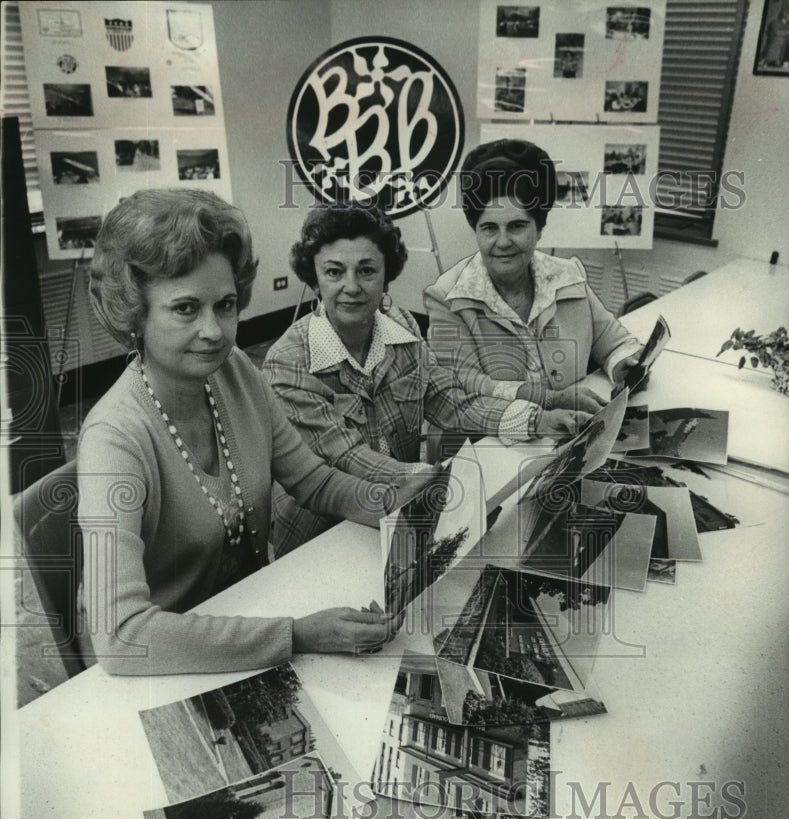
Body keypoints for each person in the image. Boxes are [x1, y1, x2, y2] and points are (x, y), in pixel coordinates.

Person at [79, 188, 409, 676]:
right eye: (186, 309)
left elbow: (313, 481)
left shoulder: (233, 370)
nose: (214, 331)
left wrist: (401, 502)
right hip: (162, 661)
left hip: (248, 621)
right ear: (135, 315)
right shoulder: (114, 438)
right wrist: (296, 634)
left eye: (226, 305)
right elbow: (122, 636)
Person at [263, 202, 586, 555]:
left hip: (402, 518)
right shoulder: (289, 361)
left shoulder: (403, 325)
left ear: (387, 275)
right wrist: (435, 482)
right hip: (320, 539)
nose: (351, 286)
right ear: (314, 279)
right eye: (334, 272)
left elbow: (449, 401)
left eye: (367, 270)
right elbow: (348, 457)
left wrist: (537, 419)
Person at [424, 138, 643, 416]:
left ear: (539, 229)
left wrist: (621, 363)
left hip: (567, 431)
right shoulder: (447, 296)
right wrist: (550, 399)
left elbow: (613, 341)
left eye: (517, 226)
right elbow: (462, 385)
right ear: (475, 230)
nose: (502, 242)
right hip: (484, 442)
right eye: (489, 228)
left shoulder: (567, 276)